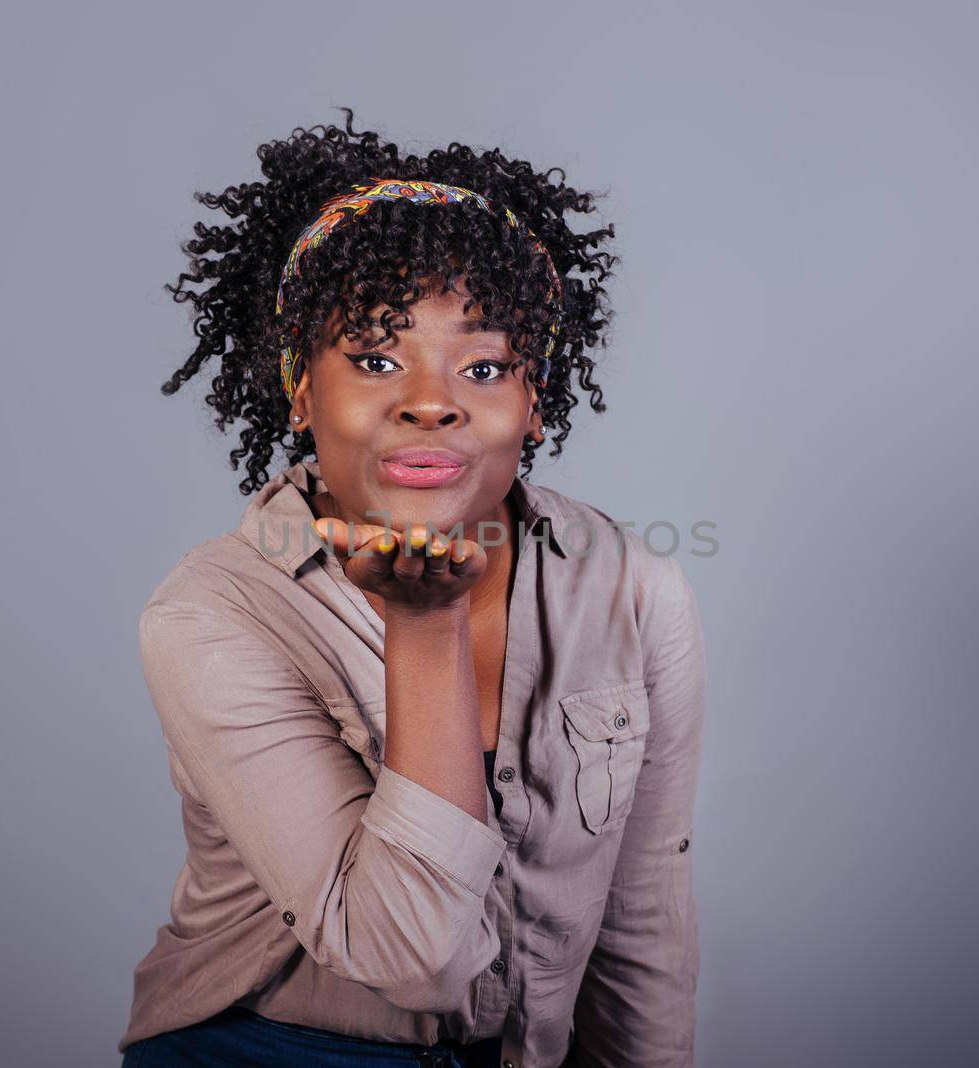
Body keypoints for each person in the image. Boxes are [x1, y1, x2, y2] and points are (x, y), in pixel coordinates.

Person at [119, 108, 707, 1068]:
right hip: (270, 1049)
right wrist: (423, 624)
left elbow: (643, 924)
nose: (431, 399)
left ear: (534, 402)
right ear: (300, 389)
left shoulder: (633, 591)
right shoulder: (212, 612)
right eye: (376, 357)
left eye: (482, 365)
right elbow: (415, 956)